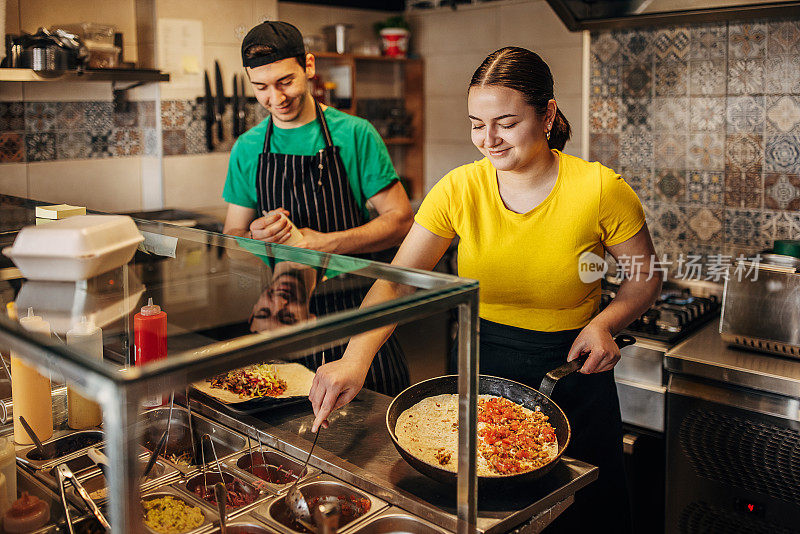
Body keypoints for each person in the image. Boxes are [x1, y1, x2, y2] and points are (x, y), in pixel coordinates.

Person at [308, 47, 662, 533]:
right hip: (480, 371)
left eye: (505, 122)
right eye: (477, 123)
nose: (488, 139)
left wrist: (605, 323)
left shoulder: (600, 189)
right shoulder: (458, 189)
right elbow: (398, 283)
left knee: (585, 521)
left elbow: (645, 278)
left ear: (547, 113)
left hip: (572, 374)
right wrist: (356, 356)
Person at [223, 21, 412, 396]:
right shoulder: (247, 147)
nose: (275, 98)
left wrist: (324, 243)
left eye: (285, 82)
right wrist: (256, 239)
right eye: (261, 87)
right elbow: (232, 238)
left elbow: (401, 220)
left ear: (308, 66)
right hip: (287, 320)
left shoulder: (355, 134)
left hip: (357, 317)